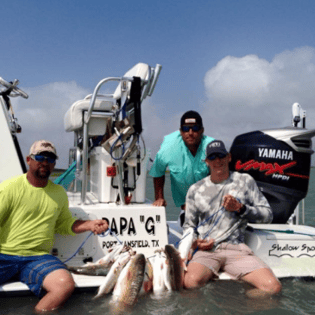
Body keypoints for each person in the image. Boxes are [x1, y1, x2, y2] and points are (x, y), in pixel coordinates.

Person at [0, 140, 109, 312]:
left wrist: (89, 224)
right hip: (4, 254)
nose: (45, 162)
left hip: (38, 257)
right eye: (40, 157)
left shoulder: (58, 193)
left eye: (50, 159)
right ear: (29, 160)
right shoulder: (10, 188)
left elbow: (63, 224)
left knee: (64, 285)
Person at [183, 140, 282, 297]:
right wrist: (195, 242)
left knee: (272, 287)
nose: (217, 161)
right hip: (206, 251)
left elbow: (267, 215)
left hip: (237, 250)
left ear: (229, 157)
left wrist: (240, 208)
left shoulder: (245, 181)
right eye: (213, 157)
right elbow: (189, 226)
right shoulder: (195, 190)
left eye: (221, 156)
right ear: (206, 161)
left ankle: (239, 306)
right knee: (190, 283)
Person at [149, 110, 215, 225]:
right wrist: (159, 198)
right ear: (180, 131)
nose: (190, 133)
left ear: (202, 131)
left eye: (195, 128)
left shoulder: (212, 146)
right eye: (185, 129)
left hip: (211, 207)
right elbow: (158, 171)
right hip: (186, 209)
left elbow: (223, 176)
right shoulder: (169, 148)